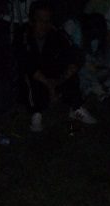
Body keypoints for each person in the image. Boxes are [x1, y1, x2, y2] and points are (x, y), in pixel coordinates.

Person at [15, 1, 90, 130]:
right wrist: (49, 84)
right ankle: (36, 113)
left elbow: (76, 53)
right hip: (34, 79)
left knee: (71, 73)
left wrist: (65, 75)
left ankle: (76, 108)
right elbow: (24, 62)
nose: (44, 25)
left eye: (47, 21)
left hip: (53, 77)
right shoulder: (23, 34)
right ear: (32, 21)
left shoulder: (57, 33)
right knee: (28, 78)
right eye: (40, 20)